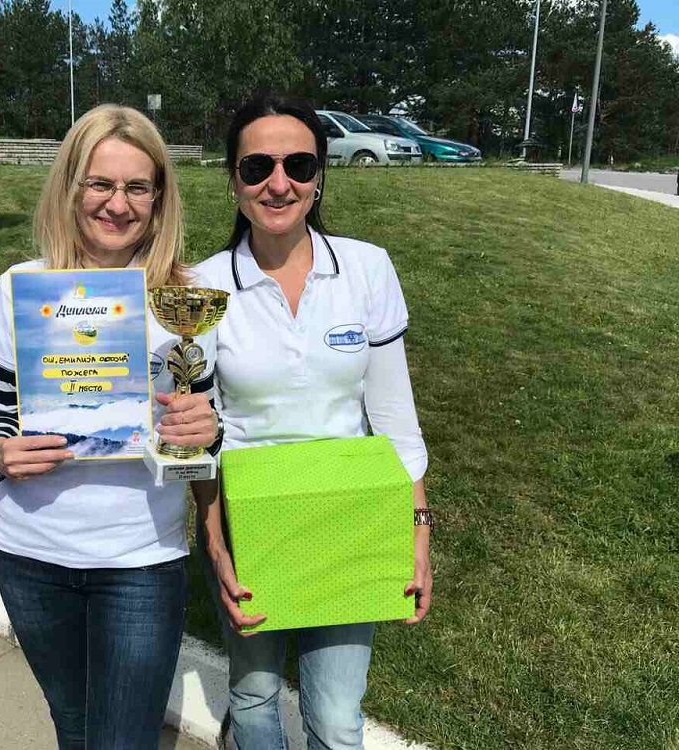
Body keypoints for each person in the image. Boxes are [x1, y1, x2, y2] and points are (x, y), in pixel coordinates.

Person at [192, 93, 433, 749]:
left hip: (352, 517)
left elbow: (395, 417)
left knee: (334, 717)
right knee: (254, 696)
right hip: (249, 523)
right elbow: (196, 436)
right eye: (257, 167)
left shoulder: (367, 268)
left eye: (298, 165)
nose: (279, 184)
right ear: (233, 180)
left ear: (320, 176)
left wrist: (417, 529)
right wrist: (215, 544)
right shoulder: (201, 287)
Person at [0, 103, 223, 750]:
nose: (118, 204)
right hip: (30, 554)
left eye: (138, 186)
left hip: (139, 560)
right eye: (100, 183)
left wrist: (207, 430)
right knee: (74, 725)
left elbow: (205, 433)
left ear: (159, 197)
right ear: (70, 187)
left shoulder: (186, 299)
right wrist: (0, 452)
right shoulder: (21, 287)